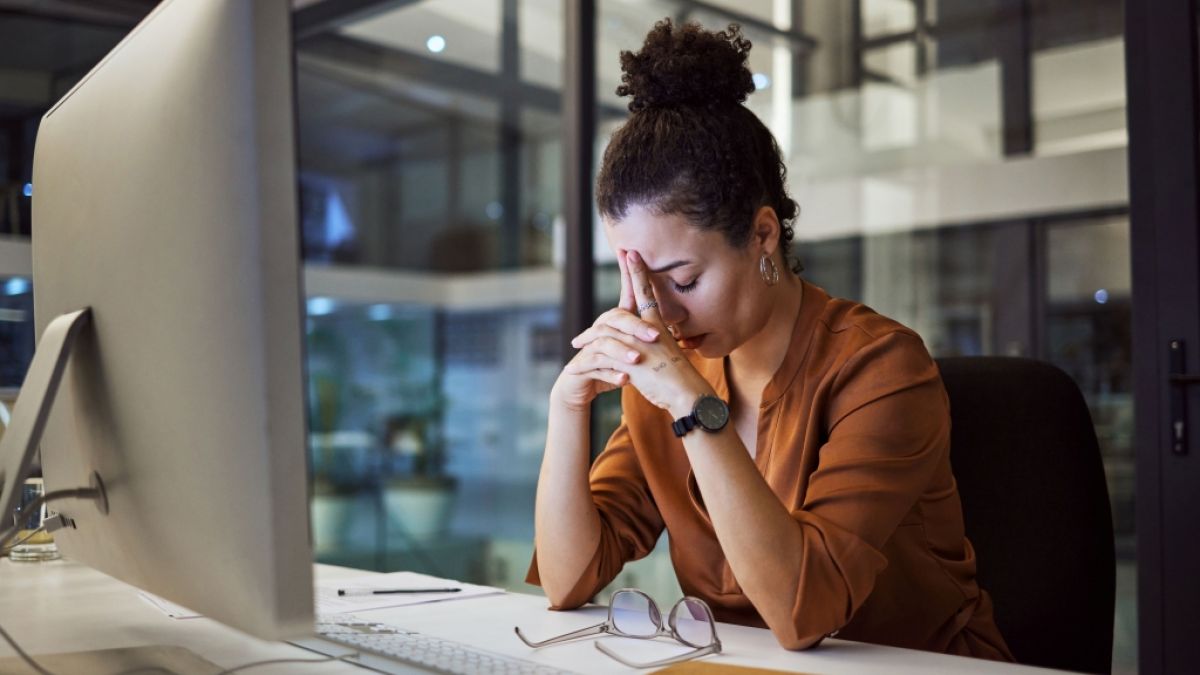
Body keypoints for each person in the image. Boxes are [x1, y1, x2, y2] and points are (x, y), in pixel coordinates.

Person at [526, 19, 1013, 661]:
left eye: (683, 279)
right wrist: (567, 405)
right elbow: (567, 581)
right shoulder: (670, 379)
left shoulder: (882, 366)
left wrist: (693, 410)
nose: (662, 316)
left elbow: (802, 610)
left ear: (761, 236)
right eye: (640, 282)